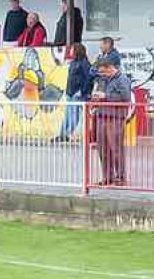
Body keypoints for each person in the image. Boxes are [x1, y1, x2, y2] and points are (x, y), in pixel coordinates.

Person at [90, 52, 131, 186]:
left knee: (116, 149)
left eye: (103, 72)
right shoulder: (103, 80)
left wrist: (105, 96)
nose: (101, 75)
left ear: (110, 68)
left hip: (115, 118)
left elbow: (125, 98)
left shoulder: (122, 79)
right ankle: (107, 177)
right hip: (102, 116)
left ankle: (120, 178)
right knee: (103, 149)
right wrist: (95, 98)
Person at [56, 43, 95, 141]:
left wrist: (82, 92)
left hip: (76, 94)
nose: (70, 51)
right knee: (67, 115)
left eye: (72, 49)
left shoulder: (84, 63)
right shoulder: (73, 62)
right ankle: (62, 134)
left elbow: (88, 79)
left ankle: (68, 134)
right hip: (69, 93)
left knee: (74, 116)